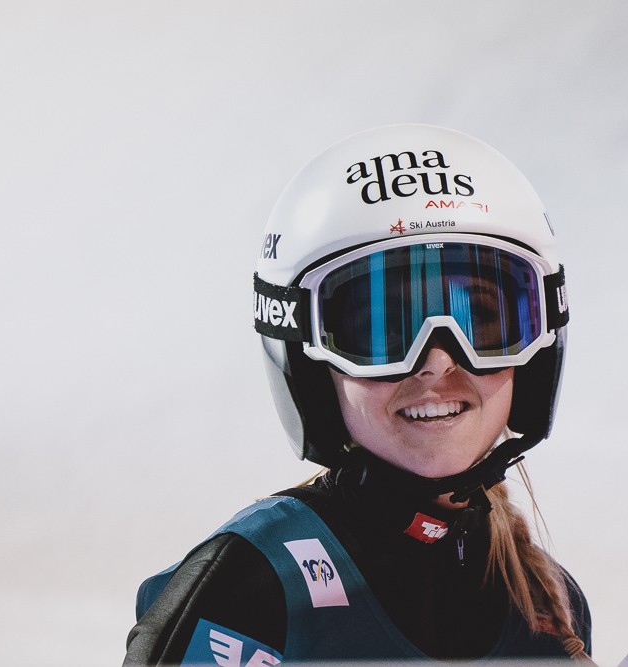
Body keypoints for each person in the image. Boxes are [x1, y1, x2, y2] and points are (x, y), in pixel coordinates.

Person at [124, 124, 592, 664]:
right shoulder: (249, 593)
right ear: (308, 365)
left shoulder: (547, 608)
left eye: (480, 319)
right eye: (382, 328)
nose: (438, 361)